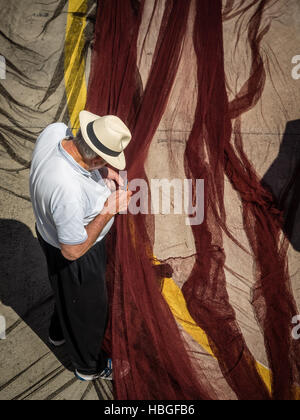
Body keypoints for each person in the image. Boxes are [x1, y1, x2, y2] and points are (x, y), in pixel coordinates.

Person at [29, 110, 133, 381]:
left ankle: (58, 332)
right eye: (107, 160)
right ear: (95, 156)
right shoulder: (68, 191)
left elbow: (82, 157)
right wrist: (109, 210)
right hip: (78, 253)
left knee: (64, 291)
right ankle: (89, 367)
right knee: (90, 309)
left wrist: (103, 170)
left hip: (47, 234)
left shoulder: (56, 131)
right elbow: (72, 250)